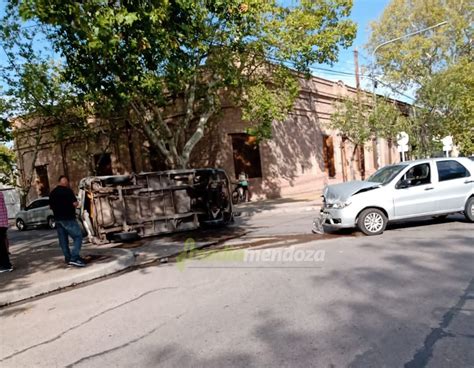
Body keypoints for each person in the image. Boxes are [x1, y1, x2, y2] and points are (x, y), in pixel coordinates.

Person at [49, 176, 85, 267]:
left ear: (59, 182)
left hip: (58, 219)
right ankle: (74, 257)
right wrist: (77, 204)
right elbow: (75, 204)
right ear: (66, 182)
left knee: (63, 241)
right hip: (68, 218)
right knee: (78, 236)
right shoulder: (68, 191)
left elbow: (50, 207)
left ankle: (68, 258)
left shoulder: (52, 193)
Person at [0, 191, 13, 273]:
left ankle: (6, 265)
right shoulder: (0, 193)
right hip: (3, 223)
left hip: (0, 223)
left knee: (1, 246)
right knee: (2, 245)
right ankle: (4, 265)